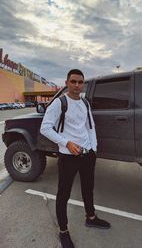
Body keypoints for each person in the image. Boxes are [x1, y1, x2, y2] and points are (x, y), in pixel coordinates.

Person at [40, 69, 110, 248]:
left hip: (87, 155)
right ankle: (63, 231)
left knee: (88, 189)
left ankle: (91, 217)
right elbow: (45, 128)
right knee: (64, 194)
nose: (77, 85)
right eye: (73, 81)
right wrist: (67, 143)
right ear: (66, 82)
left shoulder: (85, 102)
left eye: (80, 82)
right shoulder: (59, 103)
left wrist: (93, 148)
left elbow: (90, 126)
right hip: (68, 156)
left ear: (83, 84)